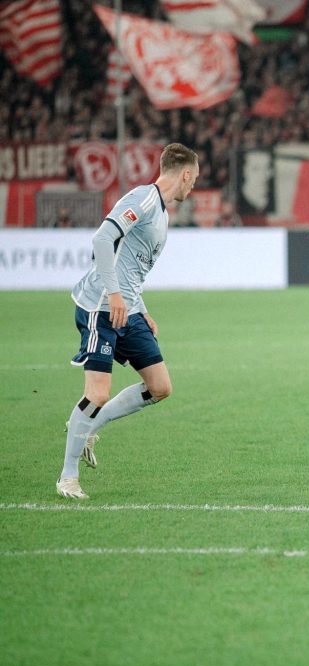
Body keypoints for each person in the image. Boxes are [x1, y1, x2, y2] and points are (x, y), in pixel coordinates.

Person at [57, 143, 200, 499]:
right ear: (184, 173)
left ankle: (90, 427)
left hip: (129, 308)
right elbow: (103, 239)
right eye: (193, 179)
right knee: (97, 393)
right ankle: (67, 478)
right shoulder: (144, 199)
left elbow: (130, 266)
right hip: (100, 307)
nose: (193, 187)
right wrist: (115, 294)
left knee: (160, 387)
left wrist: (141, 306)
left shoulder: (162, 213)